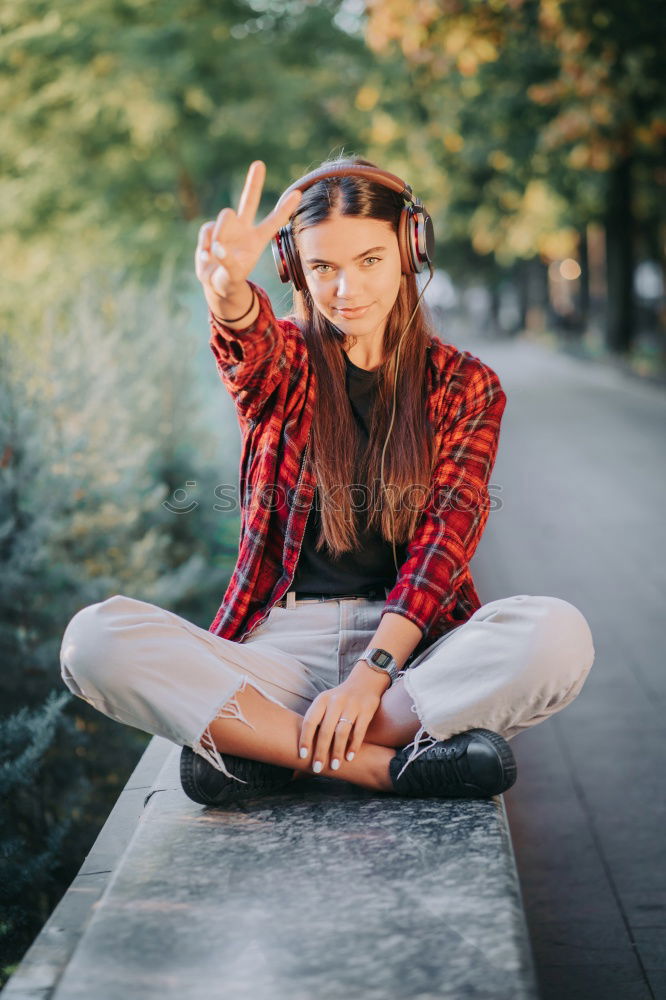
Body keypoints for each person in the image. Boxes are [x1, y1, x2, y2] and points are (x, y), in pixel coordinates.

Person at [59, 156, 595, 806]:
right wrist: (227, 291)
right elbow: (246, 346)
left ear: (409, 249)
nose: (347, 289)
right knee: (94, 639)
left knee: (557, 634)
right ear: (295, 270)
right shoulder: (284, 364)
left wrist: (371, 675)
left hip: (409, 662)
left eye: (369, 260)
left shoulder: (466, 385)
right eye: (323, 268)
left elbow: (442, 549)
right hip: (280, 652)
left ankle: (266, 751)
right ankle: (381, 768)